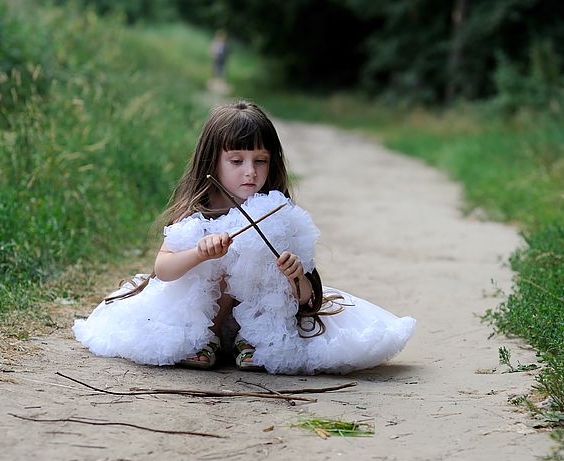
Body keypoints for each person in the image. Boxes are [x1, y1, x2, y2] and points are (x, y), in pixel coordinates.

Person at [73, 100, 415, 374]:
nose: (250, 172)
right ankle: (204, 343)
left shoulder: (279, 216)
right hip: (200, 321)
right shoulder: (197, 214)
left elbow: (307, 297)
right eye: (236, 160)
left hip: (259, 325)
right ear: (213, 161)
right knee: (221, 265)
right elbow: (163, 270)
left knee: (262, 265)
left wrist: (294, 274)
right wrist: (199, 253)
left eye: (260, 160)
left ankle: (250, 344)